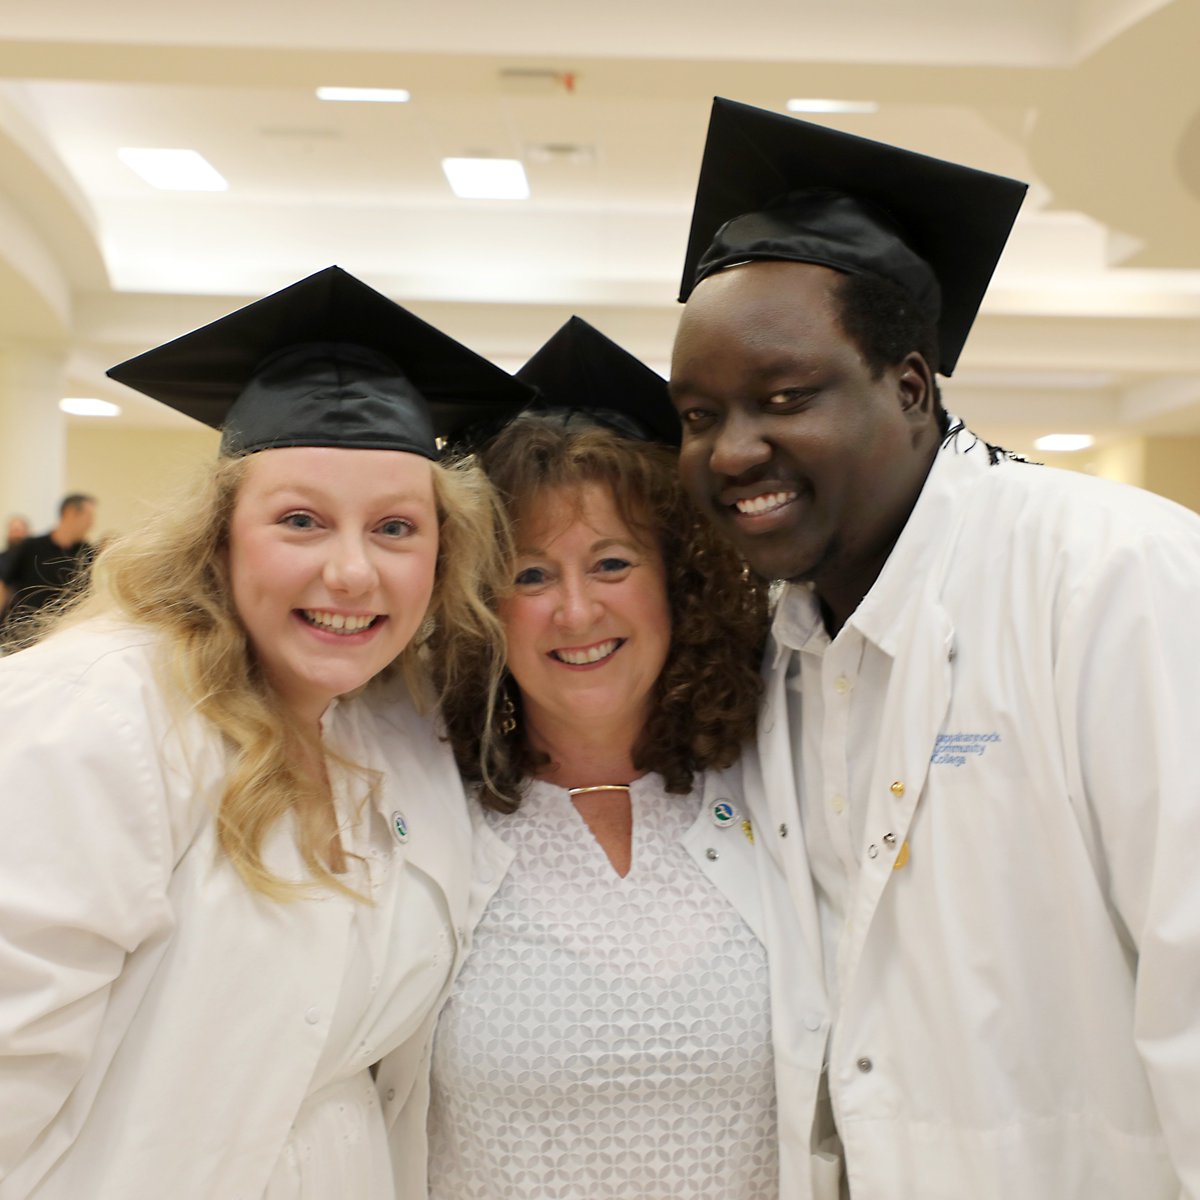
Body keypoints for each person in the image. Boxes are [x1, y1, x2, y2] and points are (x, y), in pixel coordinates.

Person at [667, 98, 1200, 1199]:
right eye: (697, 414)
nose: (733, 450)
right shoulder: (774, 646)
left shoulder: (1115, 578)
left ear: (911, 388)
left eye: (783, 399)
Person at [0, 266, 534, 1199]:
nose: (353, 571)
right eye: (300, 520)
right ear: (220, 535)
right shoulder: (100, 716)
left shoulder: (394, 737)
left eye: (397, 528)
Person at [403, 317, 820, 1198]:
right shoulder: (423, 812)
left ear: (678, 578)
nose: (576, 610)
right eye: (530, 575)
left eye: (612, 562)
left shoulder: (779, 786)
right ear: (481, 600)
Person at [0, 496, 96, 644]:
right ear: (70, 513)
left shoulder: (87, 552)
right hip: (25, 633)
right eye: (88, 516)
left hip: (64, 635)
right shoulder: (31, 546)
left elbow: (87, 597)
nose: (91, 523)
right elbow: (4, 585)